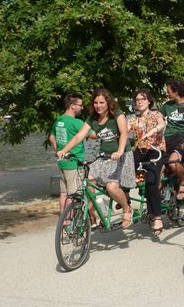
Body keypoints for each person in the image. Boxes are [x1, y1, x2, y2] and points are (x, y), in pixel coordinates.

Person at [57, 89, 135, 229]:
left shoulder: (117, 114)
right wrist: (64, 150)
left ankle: (126, 208)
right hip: (104, 156)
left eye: (101, 102)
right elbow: (79, 136)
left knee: (111, 187)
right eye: (95, 102)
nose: (98, 105)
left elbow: (124, 133)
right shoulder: (92, 118)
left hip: (121, 156)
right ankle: (93, 215)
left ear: (108, 102)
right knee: (87, 181)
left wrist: (120, 151)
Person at [128, 88, 166, 235]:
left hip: (154, 151)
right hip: (140, 150)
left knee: (151, 181)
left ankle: (157, 216)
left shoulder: (156, 114)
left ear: (149, 101)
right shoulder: (134, 118)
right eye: (137, 100)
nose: (139, 102)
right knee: (124, 168)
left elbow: (162, 124)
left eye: (142, 99)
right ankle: (126, 205)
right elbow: (125, 129)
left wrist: (153, 130)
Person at [48, 93, 85, 215]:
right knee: (73, 194)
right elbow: (94, 135)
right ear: (73, 106)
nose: (82, 108)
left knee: (63, 193)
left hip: (62, 162)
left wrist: (58, 149)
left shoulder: (59, 120)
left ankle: (63, 219)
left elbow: (51, 136)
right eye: (80, 105)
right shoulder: (76, 122)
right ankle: (69, 220)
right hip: (74, 163)